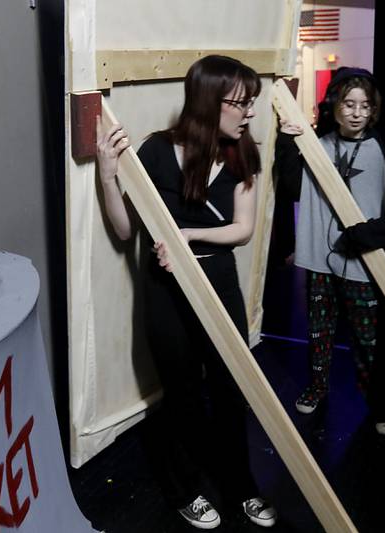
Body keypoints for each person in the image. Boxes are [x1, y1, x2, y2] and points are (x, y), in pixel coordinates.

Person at [95, 55, 276, 530]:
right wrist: (108, 173)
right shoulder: (156, 152)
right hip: (165, 289)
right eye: (242, 103)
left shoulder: (243, 155)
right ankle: (185, 489)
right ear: (209, 102)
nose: (250, 113)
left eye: (251, 102)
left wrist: (186, 238)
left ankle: (241, 486)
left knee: (229, 387)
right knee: (182, 394)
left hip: (217, 283)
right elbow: (122, 229)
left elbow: (243, 230)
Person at [275, 68, 385, 435]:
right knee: (320, 330)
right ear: (335, 106)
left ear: (373, 110)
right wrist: (287, 145)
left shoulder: (382, 147)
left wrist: (374, 233)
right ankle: (317, 387)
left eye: (365, 105)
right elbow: (295, 188)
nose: (357, 112)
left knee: (367, 338)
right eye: (349, 104)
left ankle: (379, 403)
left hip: (363, 261)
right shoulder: (319, 145)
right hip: (321, 260)